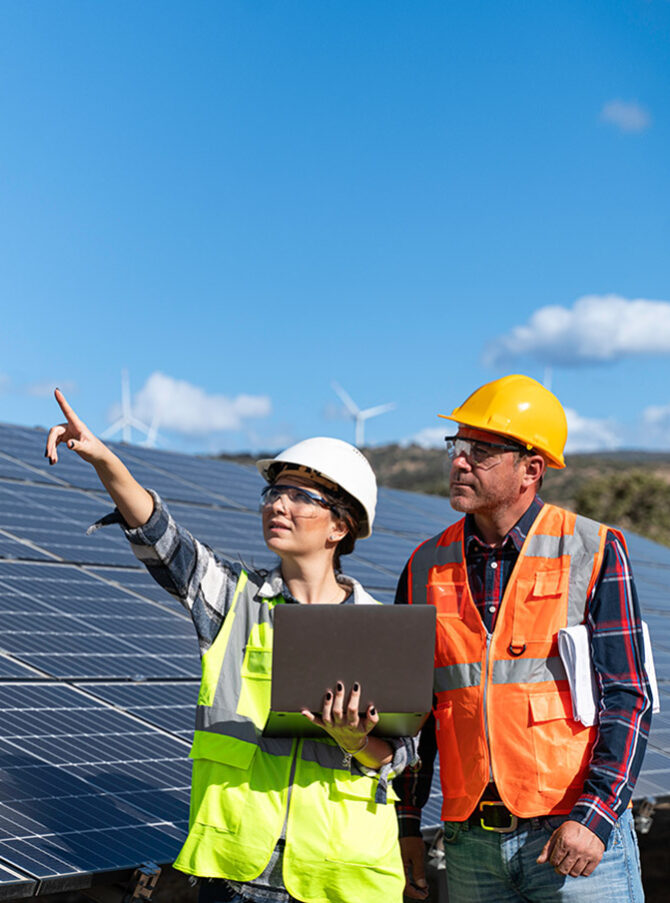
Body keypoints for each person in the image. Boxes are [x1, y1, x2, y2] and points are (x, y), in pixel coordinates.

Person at [46, 389, 416, 903]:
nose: (278, 505)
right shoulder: (233, 598)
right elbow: (158, 534)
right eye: (274, 494)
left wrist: (352, 740)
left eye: (301, 497)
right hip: (239, 872)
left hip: (340, 881)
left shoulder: (381, 627)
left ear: (340, 525)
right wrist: (105, 460)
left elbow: (400, 757)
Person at [394, 374, 651, 903]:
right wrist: (407, 823)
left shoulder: (594, 549)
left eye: (480, 451)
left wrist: (597, 816)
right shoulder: (424, 565)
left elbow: (629, 698)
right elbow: (412, 713)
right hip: (469, 844)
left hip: (571, 835)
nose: (459, 462)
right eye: (457, 447)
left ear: (531, 469)